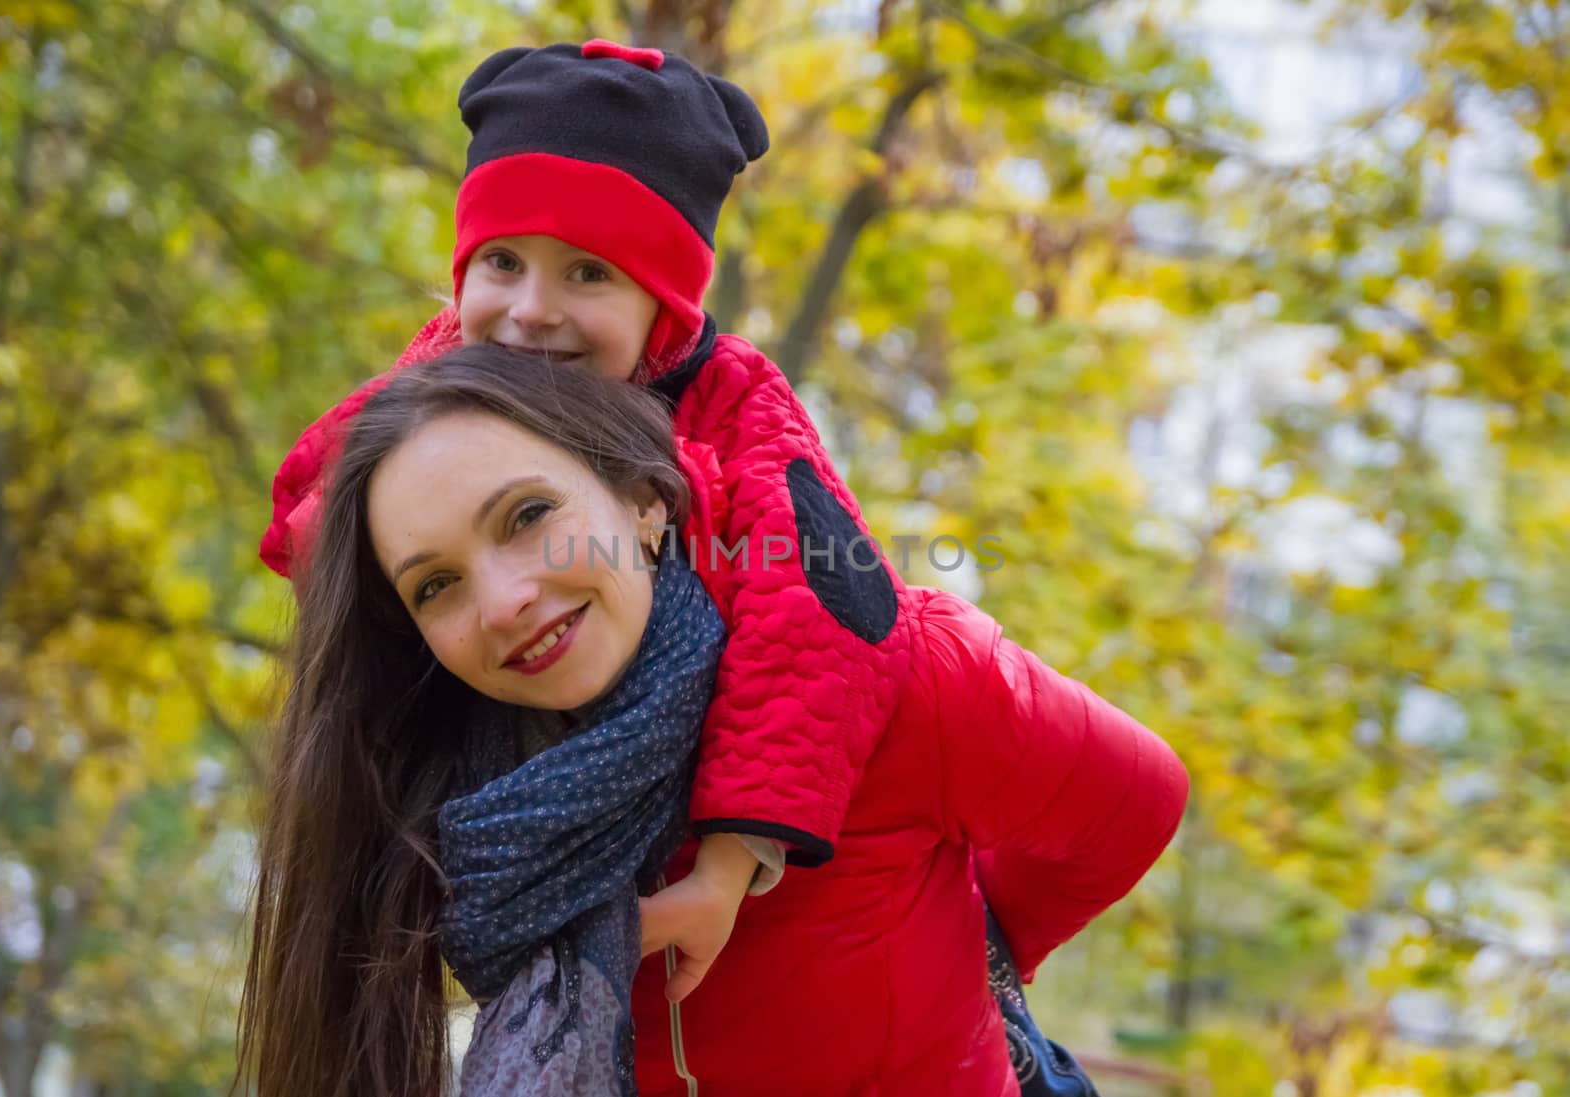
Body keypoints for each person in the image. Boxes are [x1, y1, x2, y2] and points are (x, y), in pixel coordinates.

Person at [237, 347, 1189, 1097]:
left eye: (528, 516)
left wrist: (974, 960)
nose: (502, 601)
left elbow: (1134, 806)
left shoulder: (896, 673)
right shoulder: (453, 813)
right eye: (435, 584)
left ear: (647, 504)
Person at [255, 40, 917, 998]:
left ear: (667, 305)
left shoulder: (738, 410)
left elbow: (822, 616)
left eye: (589, 275)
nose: (530, 311)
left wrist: (726, 867)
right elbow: (317, 510)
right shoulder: (436, 384)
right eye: (503, 262)